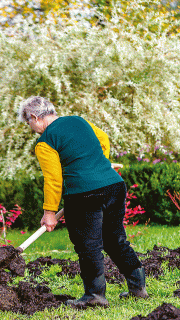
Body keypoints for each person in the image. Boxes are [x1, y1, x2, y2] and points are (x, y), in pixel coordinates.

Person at [17, 96, 148, 308]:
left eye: (28, 122)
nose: (30, 127)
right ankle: (138, 288)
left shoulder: (45, 142)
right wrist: (99, 164)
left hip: (83, 195)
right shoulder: (79, 121)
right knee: (115, 239)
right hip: (113, 185)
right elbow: (103, 138)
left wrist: (49, 212)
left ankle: (95, 297)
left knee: (89, 246)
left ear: (34, 117)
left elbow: (53, 179)